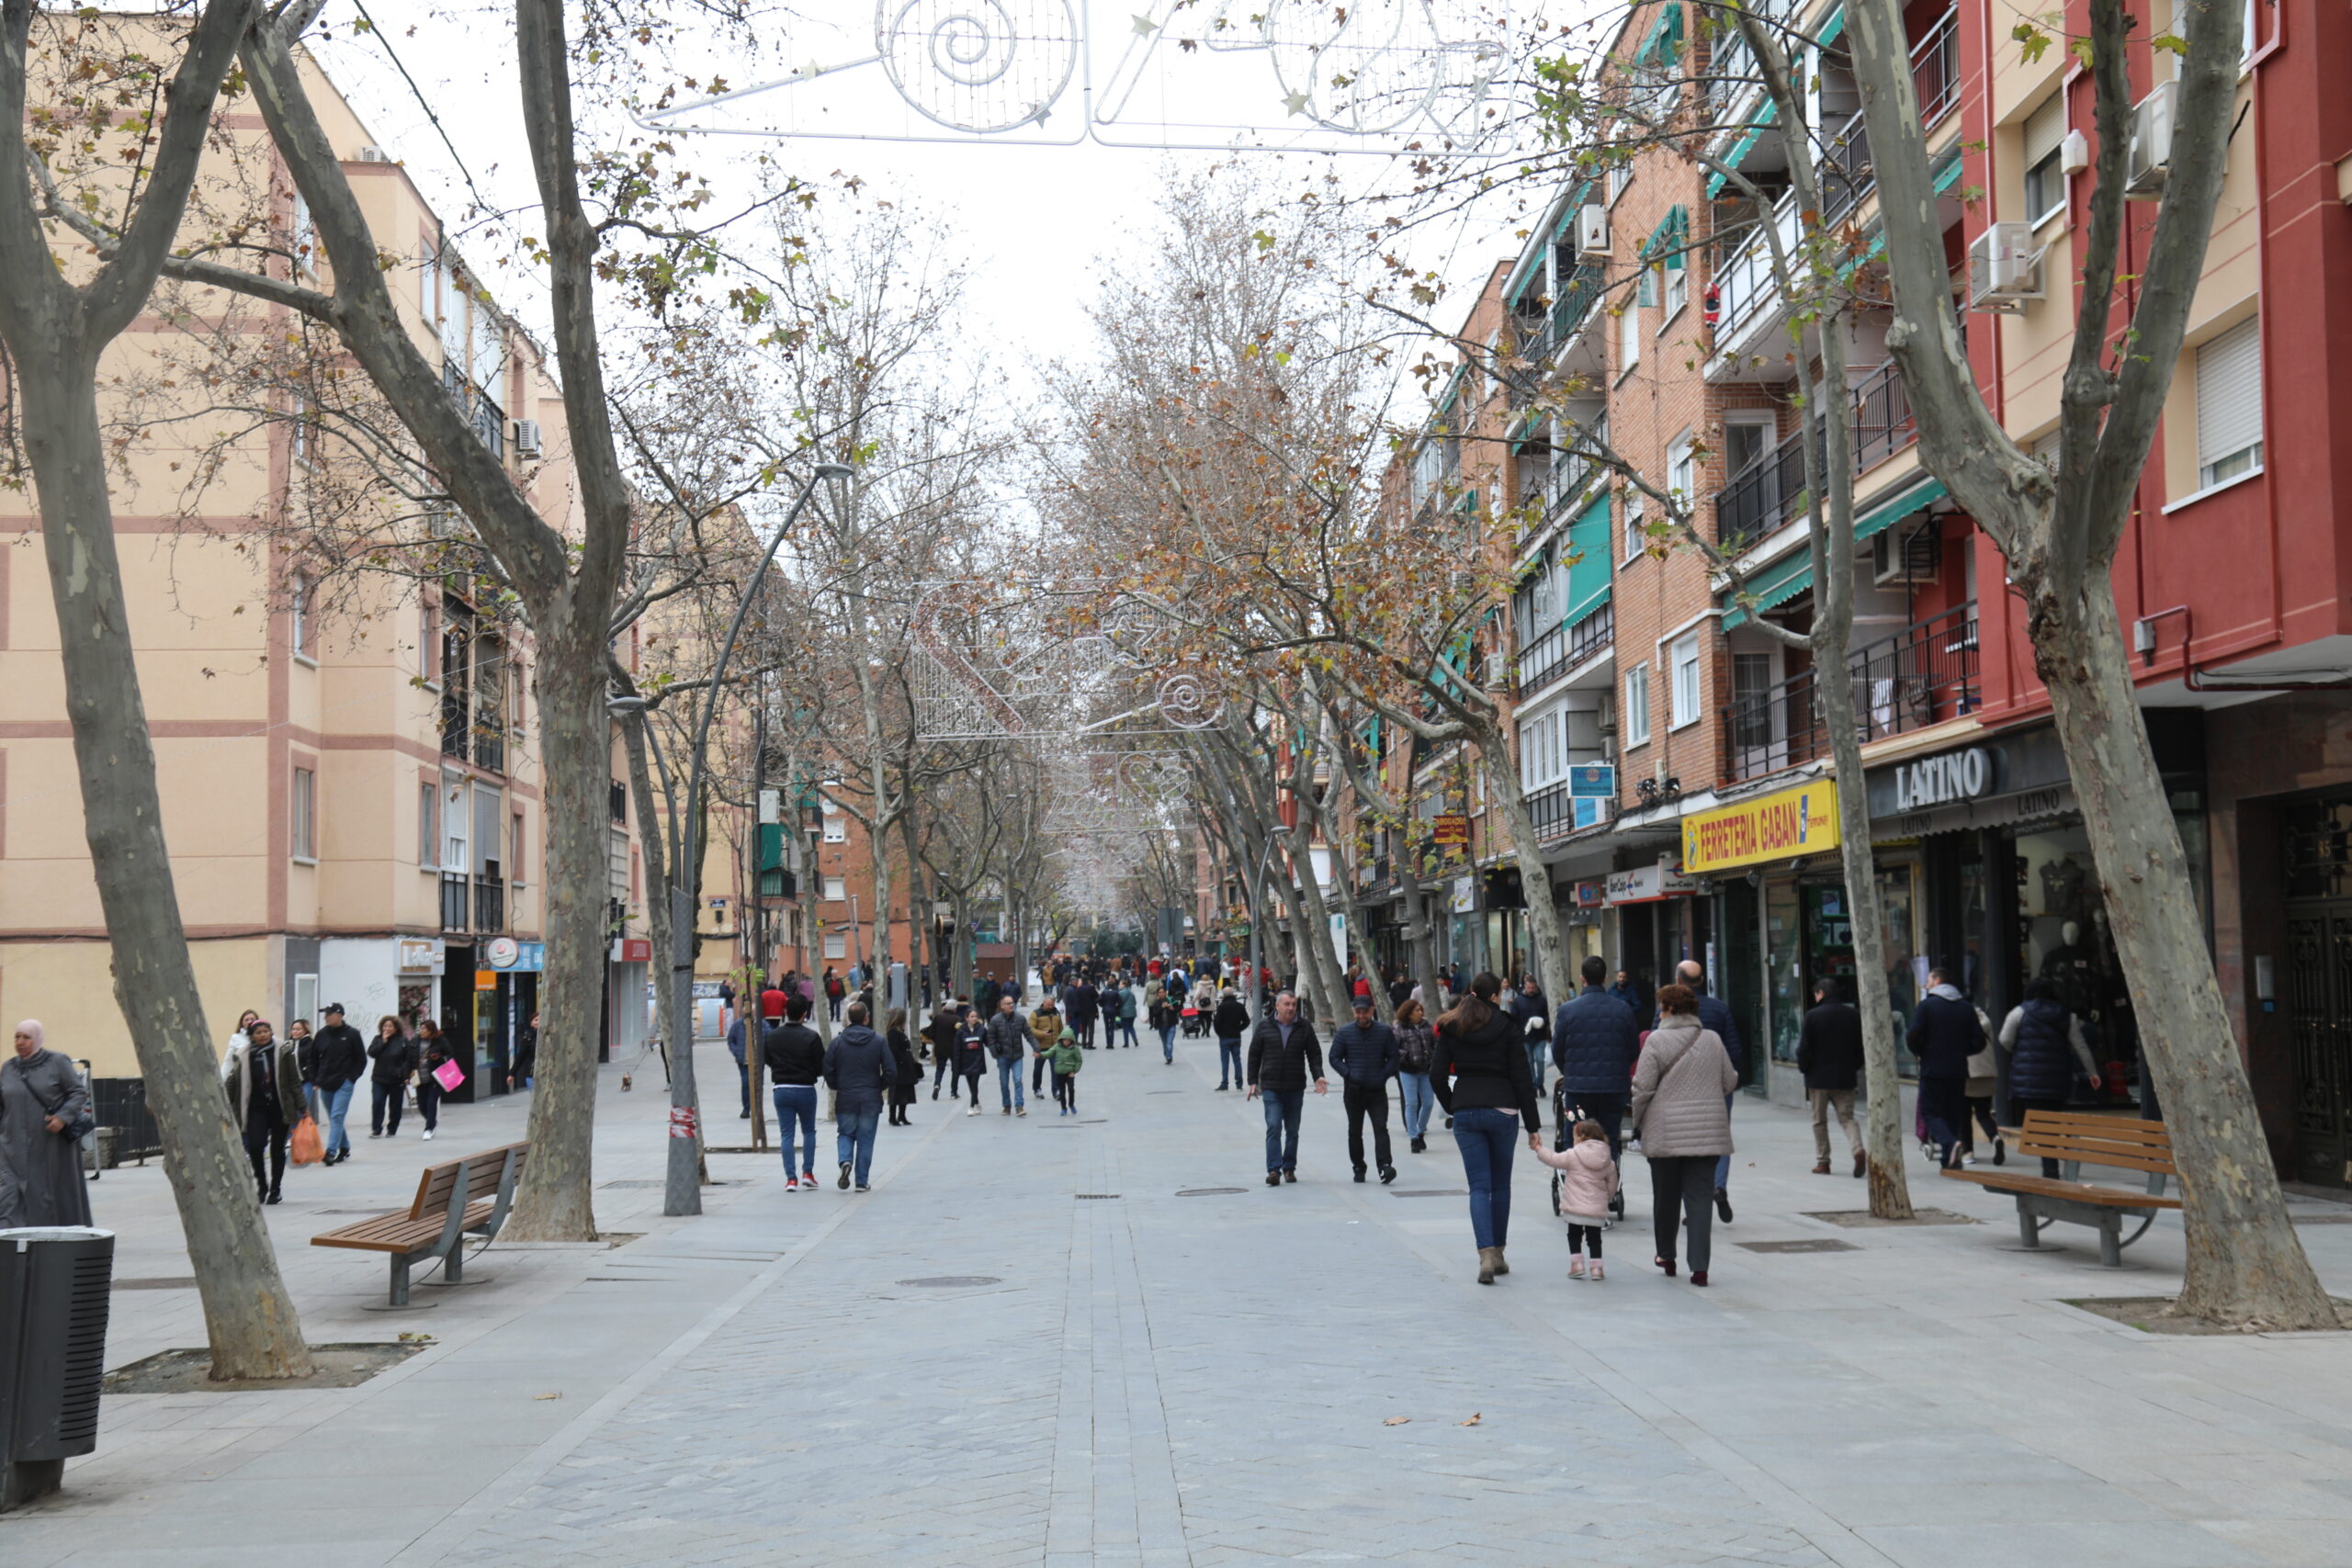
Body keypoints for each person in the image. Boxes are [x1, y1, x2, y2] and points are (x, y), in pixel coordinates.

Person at [1430, 974, 1539, 1283]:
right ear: (1494, 997)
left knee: (1478, 1187)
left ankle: (1486, 1257)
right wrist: (1532, 1125)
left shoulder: (1452, 1026)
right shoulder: (1507, 1026)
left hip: (1466, 1109)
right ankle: (1501, 1253)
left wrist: (1454, 1104)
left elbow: (1436, 1075)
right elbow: (1521, 1078)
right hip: (1503, 1109)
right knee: (1500, 1185)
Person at [1632, 984, 1738, 1286]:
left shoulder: (1655, 1042)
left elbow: (1642, 1089)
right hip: (1706, 1134)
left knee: (1665, 1198)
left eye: (1661, 1007)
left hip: (1665, 1133)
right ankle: (1700, 1268)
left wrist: (1637, 1123)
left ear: (1670, 1010)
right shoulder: (1712, 1040)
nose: (1658, 1013)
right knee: (1700, 1201)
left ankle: (1666, 1255)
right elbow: (1730, 1081)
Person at [2001, 978, 2102, 1177]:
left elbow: (2005, 1039)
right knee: (2052, 1120)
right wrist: (2092, 1072)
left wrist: (2019, 1050)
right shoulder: (2067, 1015)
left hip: (2029, 1078)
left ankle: (2049, 1166)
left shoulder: (2019, 1012)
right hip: (2058, 1077)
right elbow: (2080, 1046)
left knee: (2039, 1123)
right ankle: (2051, 1163)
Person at [1553, 955, 1641, 1175]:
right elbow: (1633, 1050)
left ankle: (1577, 1182)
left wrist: (1570, 1072)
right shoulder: (1622, 1009)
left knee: (1576, 1134)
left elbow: (1557, 1051)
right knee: (1608, 1136)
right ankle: (1608, 1184)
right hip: (1613, 1087)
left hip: (1579, 1088)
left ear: (1582, 979)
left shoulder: (1567, 1011)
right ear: (1605, 978)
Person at [1673, 960, 1745, 1224]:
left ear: (1678, 980)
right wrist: (1729, 1083)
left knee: (1683, 1145)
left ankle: (1694, 1205)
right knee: (1719, 1138)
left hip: (1679, 1089)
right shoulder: (1719, 1009)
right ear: (1702, 981)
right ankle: (1718, 1186)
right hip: (1716, 1087)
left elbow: (1654, 1049)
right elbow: (1735, 1052)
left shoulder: (1669, 1011)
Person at [1, 1021, 92, 1228]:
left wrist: (62, 1117)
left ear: (38, 1039)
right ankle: (10, 1238)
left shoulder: (57, 1062)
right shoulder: (8, 1068)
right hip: (13, 1144)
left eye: (26, 1037)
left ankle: (54, 1233)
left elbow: (78, 1092)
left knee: (47, 1190)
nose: (20, 1042)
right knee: (11, 1192)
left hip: (49, 1142)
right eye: (17, 1037)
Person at [1246, 991, 1328, 1185]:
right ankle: (1274, 1170)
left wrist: (1318, 1077)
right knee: (1274, 1126)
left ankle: (1289, 1167)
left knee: (1292, 1130)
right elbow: (1254, 1055)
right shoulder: (1264, 1026)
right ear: (1277, 1006)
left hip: (1294, 1086)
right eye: (1287, 1004)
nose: (1291, 1008)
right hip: (1271, 1086)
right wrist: (1252, 1082)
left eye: (1293, 1004)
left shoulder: (1304, 1026)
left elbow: (1314, 1054)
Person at [1906, 966, 1984, 1170]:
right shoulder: (1966, 1007)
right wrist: (1960, 1051)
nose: (1927, 983)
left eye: (1929, 979)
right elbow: (1979, 1041)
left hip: (1932, 1068)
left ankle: (1950, 1144)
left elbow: (1913, 1034)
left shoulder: (1927, 1006)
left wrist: (1922, 1051)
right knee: (1952, 1113)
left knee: (1929, 1111)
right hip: (1958, 1069)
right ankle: (1950, 1161)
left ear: (1938, 980)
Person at [223, 1019, 303, 1205]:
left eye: (265, 1031)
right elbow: (233, 1081)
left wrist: (302, 1107)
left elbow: (293, 1081)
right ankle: (262, 1185)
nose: (263, 1035)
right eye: (258, 1033)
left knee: (277, 1150)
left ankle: (276, 1189)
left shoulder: (283, 1051)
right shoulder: (243, 1055)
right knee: (256, 1147)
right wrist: (225, 1102)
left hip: (280, 1107)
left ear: (271, 1032)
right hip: (255, 1108)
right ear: (252, 1036)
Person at [1533, 1118, 1621, 1280]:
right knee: (1595, 1239)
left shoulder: (1573, 1155)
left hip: (1575, 1207)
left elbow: (1553, 1159)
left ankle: (1577, 1265)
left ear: (1580, 1137)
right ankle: (1597, 1269)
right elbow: (1612, 1183)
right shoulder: (1607, 1159)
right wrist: (1606, 1198)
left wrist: (1539, 1148)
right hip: (1596, 1209)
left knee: (1574, 1236)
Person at [1795, 977, 1865, 1177]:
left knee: (1819, 1121)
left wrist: (1805, 1069)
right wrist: (1854, 1067)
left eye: (1816, 994)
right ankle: (1858, 1149)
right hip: (1844, 1076)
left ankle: (1823, 1162)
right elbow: (1859, 1048)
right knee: (1847, 1118)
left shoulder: (1812, 1016)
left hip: (1818, 1078)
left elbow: (1804, 1049)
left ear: (1821, 993)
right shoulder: (1852, 1015)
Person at [1327, 994, 1400, 1185]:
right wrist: (1348, 1074)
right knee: (1355, 1130)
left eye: (1365, 1012)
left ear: (1372, 1011)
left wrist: (1383, 1074)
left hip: (1377, 1090)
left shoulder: (1384, 1032)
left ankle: (1385, 1166)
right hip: (1354, 1090)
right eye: (1358, 1012)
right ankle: (1358, 1165)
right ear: (1354, 1012)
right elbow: (1334, 1057)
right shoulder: (1345, 1033)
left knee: (1380, 1128)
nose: (1361, 1016)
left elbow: (1394, 1056)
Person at [821, 1002, 894, 1190]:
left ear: (848, 1019)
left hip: (846, 1096)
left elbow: (827, 1068)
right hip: (870, 1096)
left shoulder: (838, 1042)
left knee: (845, 1133)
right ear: (866, 1018)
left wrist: (837, 1085)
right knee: (866, 1139)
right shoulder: (878, 1041)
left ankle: (845, 1160)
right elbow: (891, 1071)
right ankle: (861, 1181)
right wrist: (879, 1086)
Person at [763, 996, 825, 1190]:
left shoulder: (772, 1035)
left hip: (782, 1088)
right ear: (804, 1014)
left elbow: (767, 1059)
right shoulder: (812, 1037)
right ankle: (808, 1173)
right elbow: (820, 1066)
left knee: (786, 1134)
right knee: (809, 1131)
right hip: (805, 1088)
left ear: (785, 1012)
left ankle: (791, 1178)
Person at [310, 1002, 367, 1166]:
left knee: (336, 1116)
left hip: (344, 1083)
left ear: (340, 1015)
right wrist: (315, 1079)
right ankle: (345, 1146)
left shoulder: (352, 1034)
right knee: (335, 1118)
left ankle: (330, 1152)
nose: (326, 1017)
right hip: (325, 1083)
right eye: (325, 1014)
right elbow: (312, 1059)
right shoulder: (321, 1035)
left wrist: (352, 1078)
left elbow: (361, 1059)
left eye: (329, 1014)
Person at [1393, 998, 1437, 1152]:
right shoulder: (1399, 1028)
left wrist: (1433, 1058)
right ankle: (1413, 1137)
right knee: (1411, 1104)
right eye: (1417, 1010)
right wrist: (1405, 1056)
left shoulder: (1427, 1027)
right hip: (1408, 1071)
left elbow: (1434, 1044)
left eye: (1421, 1010)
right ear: (1408, 1013)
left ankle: (1420, 1130)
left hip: (1426, 1071)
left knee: (1429, 1103)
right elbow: (1393, 1049)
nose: (1420, 1013)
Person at [367, 1012, 416, 1140]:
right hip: (379, 1078)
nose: (387, 1029)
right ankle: (377, 1129)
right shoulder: (378, 1039)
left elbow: (408, 1059)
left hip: (396, 1078)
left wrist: (405, 1074)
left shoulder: (402, 1041)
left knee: (395, 1106)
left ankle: (392, 1128)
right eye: (385, 1026)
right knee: (378, 1102)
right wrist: (383, 1042)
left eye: (390, 1026)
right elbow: (371, 1053)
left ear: (396, 1028)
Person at [1512, 973, 1551, 1102]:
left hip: (1540, 1036)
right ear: (1525, 987)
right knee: (1529, 1062)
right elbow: (1514, 1019)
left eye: (1533, 988)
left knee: (1540, 1060)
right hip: (1525, 1037)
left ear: (1536, 987)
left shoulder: (1542, 1000)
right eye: (1529, 988)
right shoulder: (1518, 1001)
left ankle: (1540, 1083)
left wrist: (1542, 1022)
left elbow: (1548, 1016)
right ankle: (1533, 1085)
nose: (1531, 990)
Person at [413, 1019, 452, 1141]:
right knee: (421, 1105)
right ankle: (432, 1121)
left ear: (431, 1030)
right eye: (421, 1028)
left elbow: (450, 1055)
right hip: (420, 1078)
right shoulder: (416, 1041)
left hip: (435, 1078)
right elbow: (409, 1057)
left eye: (424, 1029)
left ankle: (428, 1129)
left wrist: (439, 1058)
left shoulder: (440, 1041)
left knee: (431, 1103)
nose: (422, 1031)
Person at [885, 1009, 922, 1127]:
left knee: (905, 1090)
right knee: (896, 1092)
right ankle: (892, 1117)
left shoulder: (901, 1032)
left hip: (905, 1066)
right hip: (899, 1066)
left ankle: (902, 1115)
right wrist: (903, 1060)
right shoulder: (893, 1033)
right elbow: (894, 1050)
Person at [952, 1007, 989, 1114]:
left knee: (974, 1083)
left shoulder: (982, 1030)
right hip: (966, 1061)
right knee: (971, 1084)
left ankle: (972, 1106)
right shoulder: (960, 1032)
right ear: (966, 1018)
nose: (974, 1019)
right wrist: (956, 1065)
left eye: (976, 1017)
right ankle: (977, 1103)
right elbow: (957, 1049)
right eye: (972, 1017)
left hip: (978, 1061)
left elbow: (988, 1042)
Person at [1211, 989, 1250, 1090]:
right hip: (1236, 1036)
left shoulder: (1222, 1007)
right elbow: (1247, 1021)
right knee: (1237, 1060)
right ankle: (1239, 1083)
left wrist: (1220, 1033)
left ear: (1224, 996)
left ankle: (1225, 1083)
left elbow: (1217, 1022)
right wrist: (1239, 1029)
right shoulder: (1240, 1006)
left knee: (1225, 1061)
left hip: (1224, 1037)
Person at [1048, 1023, 1084, 1114]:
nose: (1066, 1042)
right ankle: (1063, 1108)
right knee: (1062, 1091)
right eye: (1065, 1040)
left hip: (1069, 1073)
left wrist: (1074, 1071)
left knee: (1071, 1089)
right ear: (1062, 1040)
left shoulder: (1074, 1049)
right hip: (1060, 1072)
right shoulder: (1057, 1046)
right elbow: (1049, 1053)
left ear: (1071, 1040)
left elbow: (1079, 1060)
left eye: (1068, 1040)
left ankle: (1071, 1104)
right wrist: (1040, 1055)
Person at [725, 1007, 753, 1119]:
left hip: (757, 1061)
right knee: (746, 1083)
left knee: (757, 1085)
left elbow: (768, 1037)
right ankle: (746, 1108)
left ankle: (757, 1108)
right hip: (743, 1061)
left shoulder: (761, 1025)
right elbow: (730, 1040)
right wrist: (736, 1052)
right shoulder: (737, 1025)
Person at [1029, 1001, 1061, 1098]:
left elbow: (1061, 1028)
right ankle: (1037, 1088)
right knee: (1038, 1070)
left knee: (1055, 1069)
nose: (1050, 1007)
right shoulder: (1036, 1014)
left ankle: (1056, 1091)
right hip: (1040, 1047)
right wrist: (1042, 1033)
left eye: (1052, 1005)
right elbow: (1030, 1029)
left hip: (1054, 1047)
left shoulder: (1056, 1013)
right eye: (1049, 1005)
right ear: (1043, 1003)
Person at [1065, 976, 1100, 1049]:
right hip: (1091, 1011)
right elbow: (1097, 997)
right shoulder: (1091, 988)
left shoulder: (1078, 989)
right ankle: (1090, 1043)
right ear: (1087, 981)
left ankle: (1084, 1043)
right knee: (1091, 1027)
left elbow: (1076, 1001)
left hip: (1082, 1011)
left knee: (1083, 1027)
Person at [1149, 988, 1182, 1063]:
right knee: (1165, 1043)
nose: (1162, 994)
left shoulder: (1171, 1000)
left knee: (1169, 1043)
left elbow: (1179, 1007)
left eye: (1163, 992)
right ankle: (1167, 1055)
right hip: (1162, 1026)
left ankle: (1169, 1057)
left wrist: (1173, 1009)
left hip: (1171, 1025)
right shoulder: (1156, 1003)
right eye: (1160, 992)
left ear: (1165, 993)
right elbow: (1154, 1014)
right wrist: (1162, 1007)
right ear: (1157, 994)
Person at [509, 1011, 538, 1092]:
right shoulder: (527, 1038)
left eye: (540, 1020)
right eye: (536, 1020)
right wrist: (512, 1073)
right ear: (531, 1023)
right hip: (531, 1074)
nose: (538, 1022)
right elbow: (520, 1057)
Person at [1116, 980, 1140, 1049]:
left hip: (1124, 1012)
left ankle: (1126, 1043)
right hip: (1132, 1012)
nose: (1119, 986)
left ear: (1124, 985)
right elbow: (1135, 1002)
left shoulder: (1120, 993)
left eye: (1120, 984)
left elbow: (1119, 1003)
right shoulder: (1131, 993)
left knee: (1125, 1028)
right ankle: (1135, 1039)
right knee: (1131, 1027)